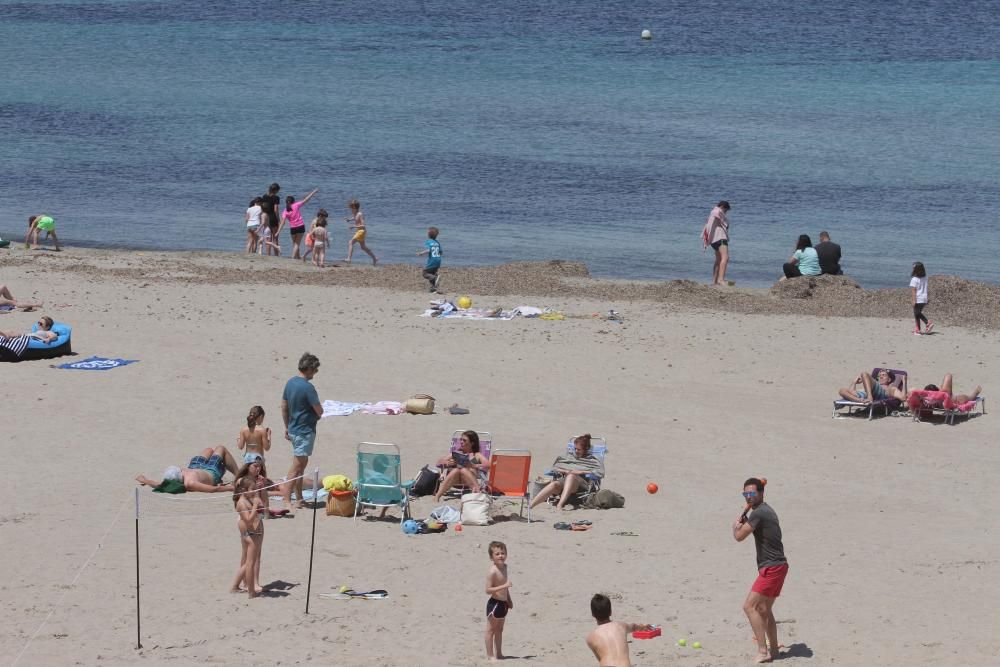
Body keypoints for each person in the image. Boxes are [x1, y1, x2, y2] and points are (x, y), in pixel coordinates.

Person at [732, 477, 788, 664]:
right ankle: (774, 650)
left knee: (749, 607)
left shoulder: (759, 513)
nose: (748, 497)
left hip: (772, 567)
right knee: (764, 609)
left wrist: (735, 527)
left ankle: (763, 651)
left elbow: (739, 537)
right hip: (779, 566)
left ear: (761, 493)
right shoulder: (765, 510)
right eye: (746, 494)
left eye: (752, 493)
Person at [282, 352, 323, 509]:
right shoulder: (308, 388)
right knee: (297, 466)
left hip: (293, 429)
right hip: (304, 431)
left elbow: (284, 407)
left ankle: (299, 498)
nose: (315, 373)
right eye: (315, 370)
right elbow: (319, 411)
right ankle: (287, 499)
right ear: (310, 369)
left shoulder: (290, 383)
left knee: (301, 465)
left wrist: (286, 426)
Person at [528, 434, 605, 511]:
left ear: (586, 449)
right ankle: (531, 505)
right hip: (566, 481)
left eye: (579, 449)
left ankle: (560, 505)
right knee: (554, 484)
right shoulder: (569, 456)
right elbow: (555, 468)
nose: (576, 451)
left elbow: (599, 473)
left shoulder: (592, 459)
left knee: (571, 476)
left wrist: (580, 472)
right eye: (575, 449)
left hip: (582, 485)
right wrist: (565, 471)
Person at [135, 445, 241, 493]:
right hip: (211, 472)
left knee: (209, 450)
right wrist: (231, 488)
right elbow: (213, 489)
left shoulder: (173, 479)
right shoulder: (190, 483)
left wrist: (145, 480)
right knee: (221, 448)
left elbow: (159, 484)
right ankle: (239, 475)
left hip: (194, 466)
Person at [585, 593, 653, 667]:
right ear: (610, 611)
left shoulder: (590, 637)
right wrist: (643, 626)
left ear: (593, 614)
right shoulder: (621, 626)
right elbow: (633, 627)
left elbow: (600, 659)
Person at [230, 476, 263, 598]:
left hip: (254, 533)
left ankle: (235, 586)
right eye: (252, 489)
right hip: (250, 535)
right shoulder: (242, 503)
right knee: (249, 564)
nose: (254, 491)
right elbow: (248, 520)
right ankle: (251, 592)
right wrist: (255, 506)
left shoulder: (248, 499)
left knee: (249, 563)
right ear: (244, 489)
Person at [433, 430, 489, 502]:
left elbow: (488, 465)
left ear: (472, 443)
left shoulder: (476, 455)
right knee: (456, 470)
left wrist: (474, 465)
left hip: (469, 481)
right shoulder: (456, 453)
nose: (461, 442)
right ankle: (437, 496)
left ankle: (478, 493)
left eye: (464, 440)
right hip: (455, 480)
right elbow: (439, 462)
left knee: (463, 470)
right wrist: (448, 463)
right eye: (461, 439)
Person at [484, 541, 513, 662]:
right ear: (492, 557)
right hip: (494, 604)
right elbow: (488, 590)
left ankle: (499, 653)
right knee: (490, 630)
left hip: (503, 603)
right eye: (497, 554)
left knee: (500, 630)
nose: (500, 556)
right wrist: (504, 586)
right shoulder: (492, 571)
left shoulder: (505, 567)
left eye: (503, 553)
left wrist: (509, 599)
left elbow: (505, 586)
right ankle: (490, 655)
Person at [279, 189, 319, 260]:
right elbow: (306, 199)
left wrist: (278, 231)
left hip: (293, 228)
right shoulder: (296, 205)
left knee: (295, 243)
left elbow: (283, 222)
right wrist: (313, 192)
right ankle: (293, 258)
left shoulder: (285, 211)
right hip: (300, 226)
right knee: (297, 244)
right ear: (293, 201)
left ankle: (297, 257)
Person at [702, 201, 731, 285]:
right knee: (725, 257)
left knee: (718, 259)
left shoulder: (713, 213)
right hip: (720, 238)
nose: (725, 213)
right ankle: (721, 279)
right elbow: (723, 221)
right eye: (725, 210)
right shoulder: (716, 211)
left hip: (713, 240)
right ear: (722, 207)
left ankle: (714, 281)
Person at [838, 368, 906, 404]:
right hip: (864, 396)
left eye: (884, 375)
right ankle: (859, 400)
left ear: (889, 379)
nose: (881, 377)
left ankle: (870, 397)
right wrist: (854, 382)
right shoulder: (868, 388)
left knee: (864, 373)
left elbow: (903, 398)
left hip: (878, 394)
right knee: (842, 390)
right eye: (879, 376)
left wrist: (904, 382)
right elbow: (852, 391)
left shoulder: (891, 388)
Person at [344, 198, 377, 264]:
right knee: (363, 247)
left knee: (351, 242)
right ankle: (375, 258)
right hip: (359, 231)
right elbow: (355, 218)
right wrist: (349, 220)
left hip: (361, 231)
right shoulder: (355, 214)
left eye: (352, 208)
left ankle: (349, 259)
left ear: (355, 208)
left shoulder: (360, 214)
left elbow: (363, 225)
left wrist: (354, 226)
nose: (351, 210)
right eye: (350, 208)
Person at [417, 226, 443, 292]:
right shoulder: (437, 243)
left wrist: (421, 253)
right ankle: (433, 288)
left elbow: (429, 250)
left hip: (432, 261)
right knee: (432, 273)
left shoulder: (428, 241)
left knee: (425, 273)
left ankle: (435, 278)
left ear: (428, 235)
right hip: (438, 261)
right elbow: (441, 252)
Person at [910, 261, 932, 335]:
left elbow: (914, 291)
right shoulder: (925, 278)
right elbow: (926, 288)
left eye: (913, 268)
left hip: (918, 298)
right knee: (917, 314)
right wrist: (927, 298)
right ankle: (917, 330)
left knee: (917, 313)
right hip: (924, 298)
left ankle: (927, 322)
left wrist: (913, 300)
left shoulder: (914, 279)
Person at [260, 183, 282, 256]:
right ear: (275, 190)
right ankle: (276, 255)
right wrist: (279, 220)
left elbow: (263, 208)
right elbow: (276, 209)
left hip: (267, 218)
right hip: (273, 218)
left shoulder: (264, 196)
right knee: (275, 237)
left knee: (268, 238)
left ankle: (268, 255)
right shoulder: (276, 197)